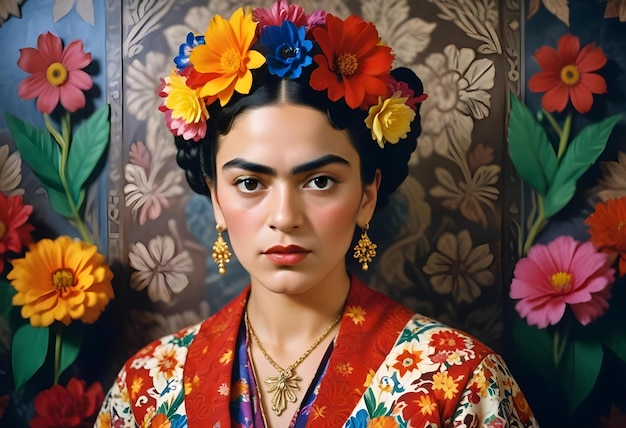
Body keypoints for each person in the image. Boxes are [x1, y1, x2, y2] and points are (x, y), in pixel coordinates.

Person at [96, 1, 538, 426]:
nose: (285, 217)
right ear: (215, 198)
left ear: (367, 195)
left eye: (319, 181)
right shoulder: (148, 384)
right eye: (250, 183)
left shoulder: (460, 382)